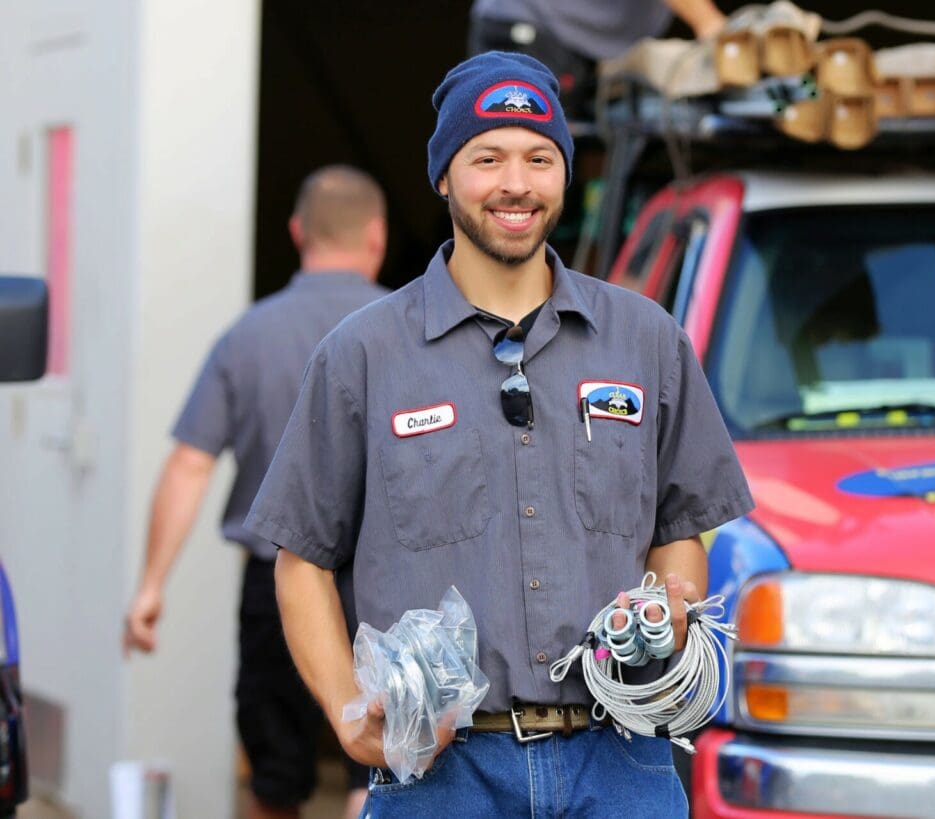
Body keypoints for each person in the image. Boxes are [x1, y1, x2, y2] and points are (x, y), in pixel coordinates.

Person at [246, 52, 753, 818]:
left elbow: (683, 526)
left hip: (620, 765)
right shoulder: (363, 355)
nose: (516, 183)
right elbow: (300, 559)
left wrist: (668, 606)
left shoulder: (647, 341)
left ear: (563, 174)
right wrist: (349, 715)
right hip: (443, 777)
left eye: (538, 158)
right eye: (488, 157)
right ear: (445, 177)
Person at [122, 165, 389, 819]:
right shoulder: (408, 330)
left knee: (276, 777)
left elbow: (189, 463)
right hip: (390, 582)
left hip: (278, 588)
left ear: (298, 232)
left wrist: (152, 585)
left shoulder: (247, 335)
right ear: (377, 236)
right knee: (384, 765)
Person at [468, 0, 727, 117]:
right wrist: (709, 23)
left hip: (582, 41)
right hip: (530, 23)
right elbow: (710, 25)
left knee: (560, 155)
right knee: (523, 150)